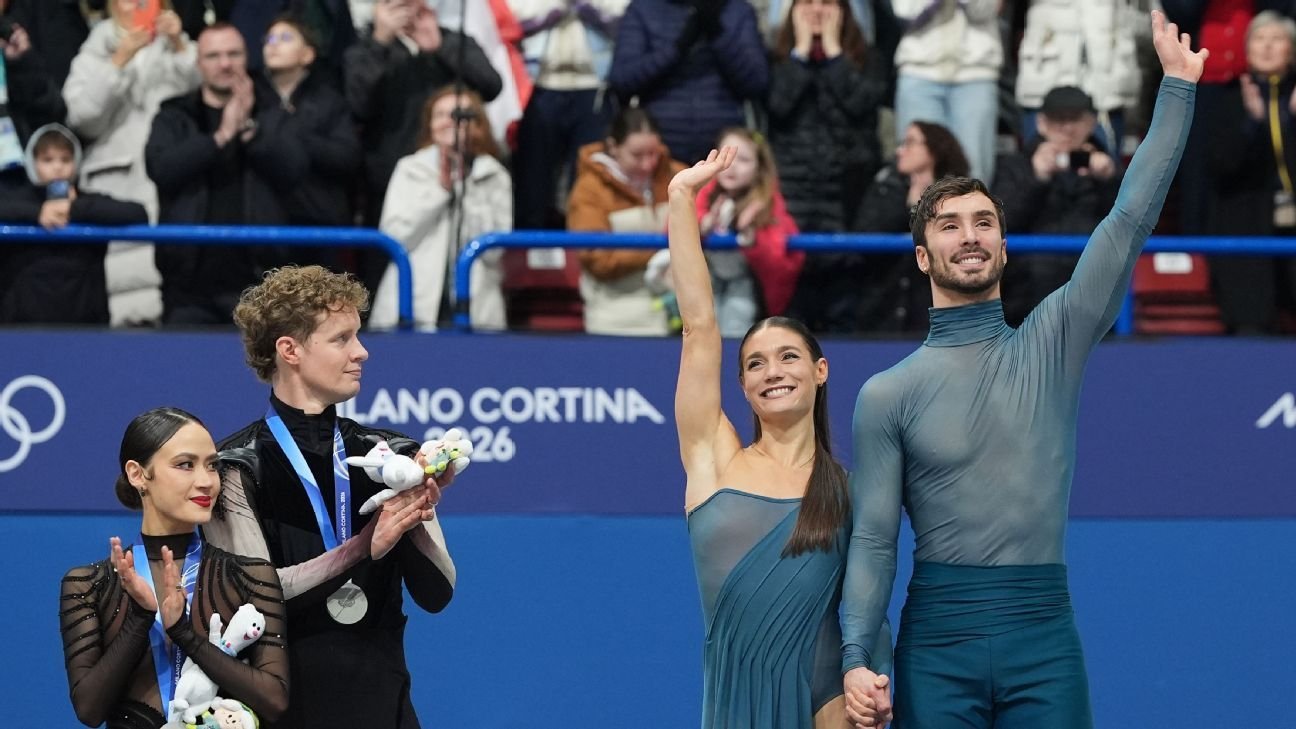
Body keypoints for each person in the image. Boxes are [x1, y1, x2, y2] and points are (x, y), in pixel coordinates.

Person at [839, 12, 1205, 729]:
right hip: (935, 643)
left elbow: (1128, 219)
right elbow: (875, 540)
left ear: (1005, 248)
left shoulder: (1053, 340)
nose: (970, 236)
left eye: (984, 223)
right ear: (923, 257)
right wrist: (856, 655)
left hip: (1045, 639)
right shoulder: (887, 394)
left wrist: (1177, 91)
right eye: (949, 225)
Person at [668, 147, 890, 728]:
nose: (773, 372)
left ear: (821, 371)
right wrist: (681, 198)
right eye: (756, 364)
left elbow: (867, 614)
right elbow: (699, 328)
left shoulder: (851, 491)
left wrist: (869, 688)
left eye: (789, 357)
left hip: (828, 708)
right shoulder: (712, 459)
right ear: (742, 386)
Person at [206, 264, 456, 729]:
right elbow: (256, 600)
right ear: (290, 350)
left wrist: (416, 509)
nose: (361, 351)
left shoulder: (390, 456)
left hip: (382, 705)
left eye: (357, 336)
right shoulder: (234, 467)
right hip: (284, 710)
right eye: (341, 339)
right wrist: (364, 546)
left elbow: (438, 593)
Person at [59, 407, 288, 729]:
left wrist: (184, 633)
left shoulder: (251, 576)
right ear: (138, 474)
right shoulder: (88, 584)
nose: (206, 481)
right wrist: (140, 616)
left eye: (212, 465)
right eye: (185, 465)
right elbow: (89, 710)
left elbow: (274, 701)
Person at [144, 23, 300, 326]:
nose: (225, 63)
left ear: (247, 58)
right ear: (198, 63)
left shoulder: (273, 112)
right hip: (188, 285)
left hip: (262, 284)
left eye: (233, 54)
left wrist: (249, 129)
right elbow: (161, 169)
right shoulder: (174, 115)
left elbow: (294, 170)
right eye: (213, 56)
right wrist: (221, 136)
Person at [64, 0, 200, 327]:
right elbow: (81, 117)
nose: (137, 5)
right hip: (114, 184)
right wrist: (118, 62)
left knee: (173, 291)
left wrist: (179, 44)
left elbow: (206, 95)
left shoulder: (177, 45)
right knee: (116, 289)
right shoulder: (96, 49)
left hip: (173, 184)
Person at [370, 86, 511, 331]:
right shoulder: (410, 169)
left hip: (477, 307)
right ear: (430, 125)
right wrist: (441, 191)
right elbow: (395, 236)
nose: (448, 122)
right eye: (440, 115)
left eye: (457, 115)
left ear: (476, 124)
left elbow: (494, 252)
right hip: (413, 303)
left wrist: (466, 186)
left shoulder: (494, 175)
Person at [993, 85, 1122, 327]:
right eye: (1058, 119)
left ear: (1091, 123)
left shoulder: (1109, 171)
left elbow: (1134, 227)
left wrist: (1108, 181)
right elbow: (997, 225)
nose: (1067, 128)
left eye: (1075, 119)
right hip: (1025, 300)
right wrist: (1037, 178)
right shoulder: (1016, 166)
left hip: (1093, 296)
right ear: (1041, 123)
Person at [1202, 10, 1296, 334]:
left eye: (1277, 39)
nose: (1267, 46)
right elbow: (1219, 166)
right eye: (1259, 38)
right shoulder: (1228, 98)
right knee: (1251, 325)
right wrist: (1251, 124)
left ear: (1292, 50)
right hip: (1247, 223)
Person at [0, 123, 149, 324]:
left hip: (85, 325)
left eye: (65, 159)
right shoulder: (15, 201)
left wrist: (74, 208)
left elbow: (138, 213)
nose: (57, 167)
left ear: (76, 162)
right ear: (32, 163)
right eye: (47, 160)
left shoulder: (88, 203)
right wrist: (37, 214)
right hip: (21, 326)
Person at [567, 106, 685, 336]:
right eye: (637, 155)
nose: (647, 164)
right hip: (616, 316)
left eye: (653, 153)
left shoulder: (677, 174)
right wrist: (662, 247)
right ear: (614, 147)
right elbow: (598, 259)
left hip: (680, 312)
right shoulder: (589, 190)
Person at [852, 120, 969, 334]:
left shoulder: (960, 197)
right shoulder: (885, 189)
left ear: (934, 149)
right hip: (881, 311)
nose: (900, 151)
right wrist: (907, 208)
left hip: (936, 314)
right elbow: (864, 237)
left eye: (910, 142)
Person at [692, 127, 802, 336]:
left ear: (759, 167)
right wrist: (701, 225)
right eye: (725, 156)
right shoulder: (702, 191)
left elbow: (780, 263)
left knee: (737, 324)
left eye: (743, 159)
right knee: (702, 330)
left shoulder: (768, 204)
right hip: (707, 278)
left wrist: (753, 240)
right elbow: (673, 227)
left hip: (746, 284)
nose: (732, 166)